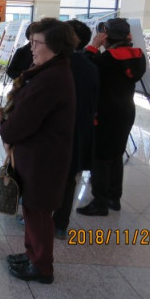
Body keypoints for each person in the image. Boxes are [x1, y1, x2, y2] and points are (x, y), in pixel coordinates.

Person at [0, 18, 77, 284]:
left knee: (39, 211)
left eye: (36, 43)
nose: (31, 48)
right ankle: (31, 254)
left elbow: (26, 120)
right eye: (31, 41)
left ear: (54, 45)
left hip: (44, 157)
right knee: (32, 208)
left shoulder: (52, 78)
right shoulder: (49, 71)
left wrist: (4, 126)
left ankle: (42, 267)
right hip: (37, 154)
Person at [76, 17, 146, 216]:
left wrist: (93, 46)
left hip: (105, 113)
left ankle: (100, 202)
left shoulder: (106, 59)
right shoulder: (139, 56)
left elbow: (83, 67)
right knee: (116, 155)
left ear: (105, 36)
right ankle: (114, 198)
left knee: (100, 157)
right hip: (126, 110)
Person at [52, 19, 99, 239]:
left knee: (45, 176)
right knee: (69, 178)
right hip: (78, 131)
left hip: (55, 132)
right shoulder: (90, 67)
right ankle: (61, 223)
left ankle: (39, 219)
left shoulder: (57, 65)